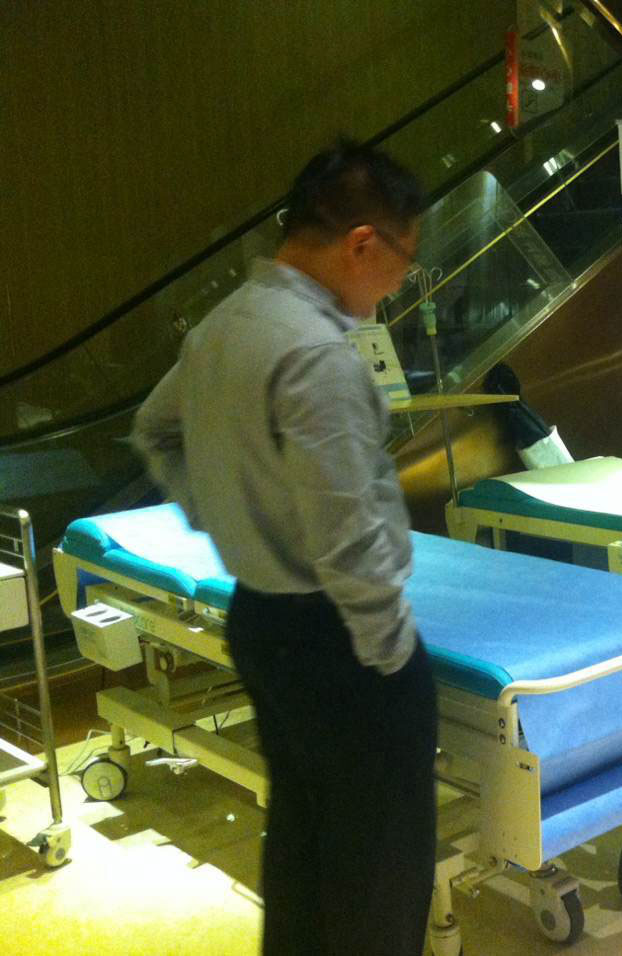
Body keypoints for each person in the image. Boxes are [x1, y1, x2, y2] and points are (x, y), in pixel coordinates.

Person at [132, 141, 437, 956]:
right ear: (363, 243)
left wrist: (220, 512)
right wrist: (390, 657)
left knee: (303, 843)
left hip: (261, 621)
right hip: (340, 644)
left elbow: (154, 430)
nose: (400, 281)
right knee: (379, 870)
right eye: (404, 259)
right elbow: (346, 538)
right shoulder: (315, 356)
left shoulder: (223, 326)